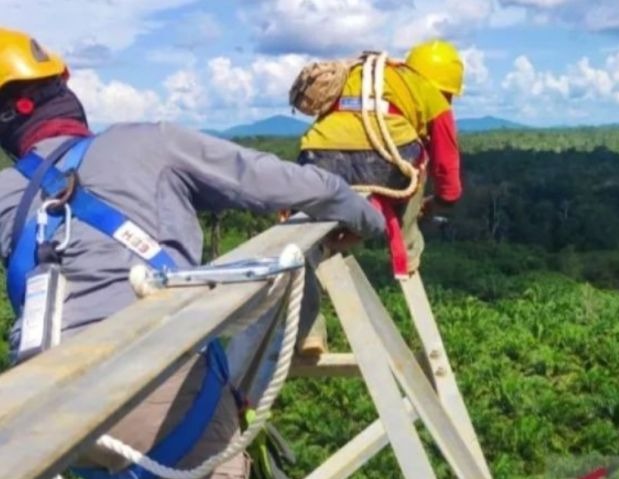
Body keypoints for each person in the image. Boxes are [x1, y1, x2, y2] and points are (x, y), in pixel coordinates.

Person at [0, 27, 385, 479]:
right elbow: (287, 183)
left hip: (42, 415)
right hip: (160, 393)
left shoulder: (7, 192)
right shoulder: (147, 143)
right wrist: (371, 220)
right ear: (61, 88)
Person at [295, 39, 465, 354]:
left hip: (318, 157)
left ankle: (309, 332)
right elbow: (447, 174)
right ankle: (407, 251)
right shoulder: (429, 93)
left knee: (306, 243)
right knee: (419, 161)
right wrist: (434, 205)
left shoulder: (359, 75)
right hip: (387, 162)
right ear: (444, 86)